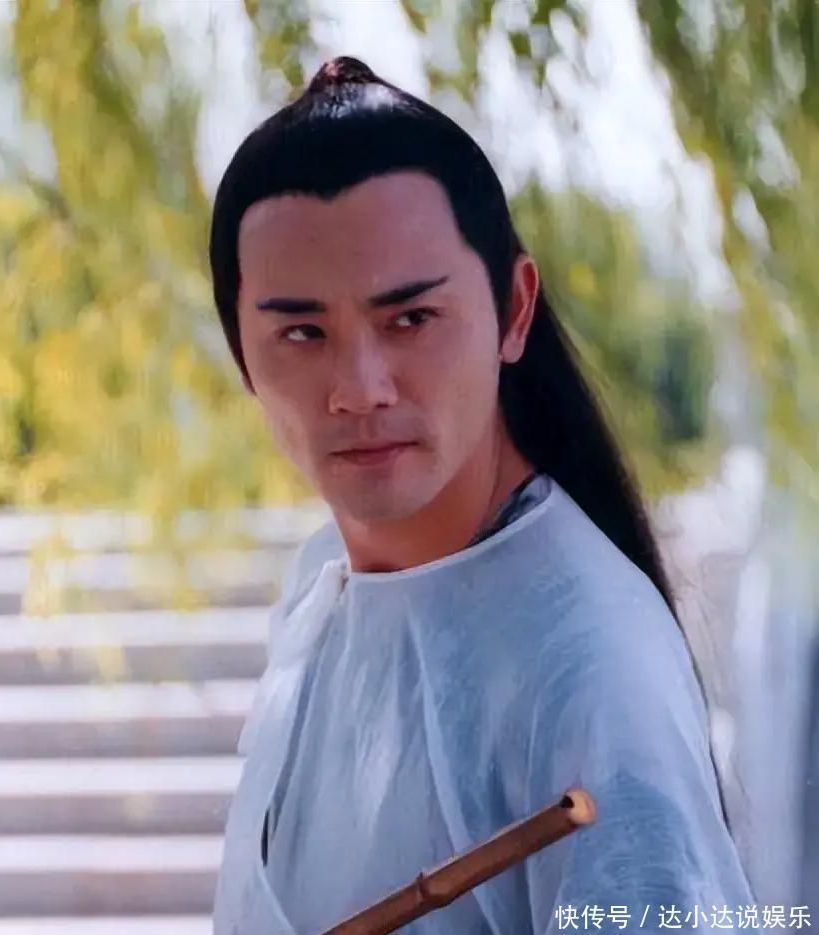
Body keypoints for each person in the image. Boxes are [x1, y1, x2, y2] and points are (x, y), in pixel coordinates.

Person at [208, 56, 761, 935]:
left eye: (410, 319)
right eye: (303, 333)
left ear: (513, 311)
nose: (360, 388)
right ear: (242, 353)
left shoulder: (591, 667)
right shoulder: (321, 587)